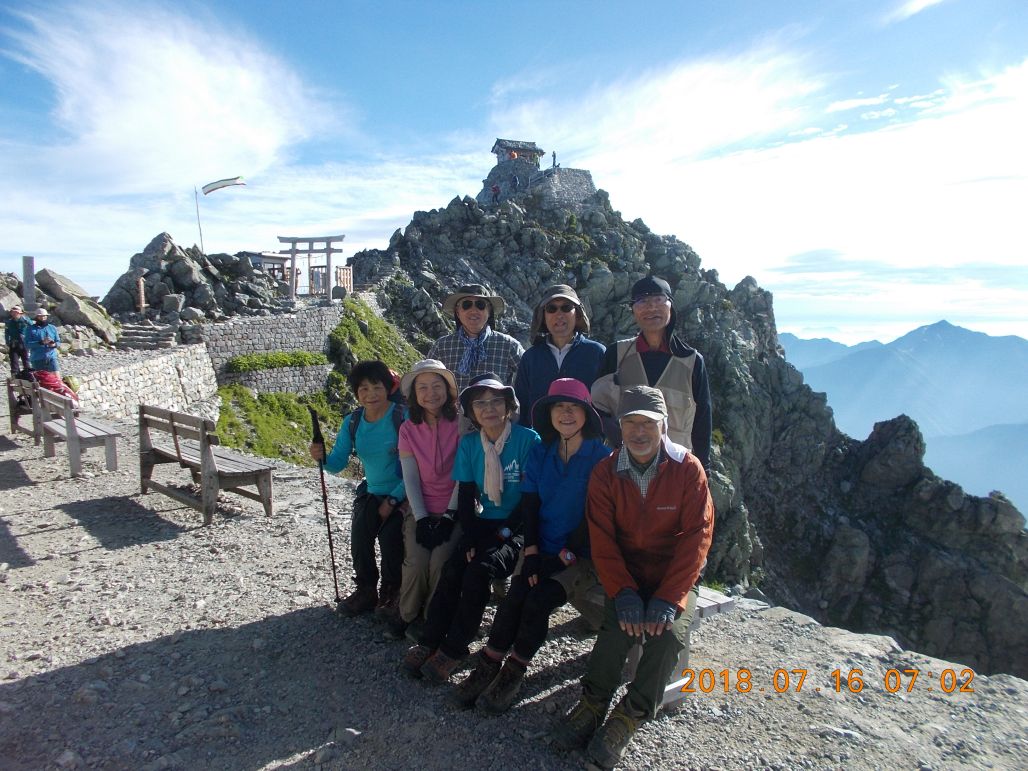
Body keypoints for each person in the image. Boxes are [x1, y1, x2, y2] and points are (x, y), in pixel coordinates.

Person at [549, 386, 714, 768]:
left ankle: (630, 715)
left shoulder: (688, 470)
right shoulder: (606, 472)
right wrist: (622, 591)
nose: (638, 432)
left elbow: (697, 538)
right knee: (615, 627)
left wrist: (669, 597)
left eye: (647, 423)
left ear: (664, 425)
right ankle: (592, 703)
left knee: (667, 634)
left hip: (674, 577)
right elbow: (602, 538)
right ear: (619, 427)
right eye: (630, 423)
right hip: (626, 573)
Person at [450, 378, 611, 714]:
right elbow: (531, 505)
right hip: (543, 545)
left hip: (581, 553)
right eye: (558, 407)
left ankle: (515, 670)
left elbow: (594, 517)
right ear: (549, 414)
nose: (566, 414)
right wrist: (534, 552)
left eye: (573, 407)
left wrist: (561, 557)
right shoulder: (542, 452)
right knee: (516, 596)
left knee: (538, 601)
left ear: (586, 414)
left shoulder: (601, 457)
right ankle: (490, 663)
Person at [401, 373, 540, 683]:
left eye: (496, 402)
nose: (488, 409)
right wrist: (472, 536)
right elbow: (466, 495)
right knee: (454, 567)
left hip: (518, 526)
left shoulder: (528, 441)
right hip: (484, 521)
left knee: (479, 570)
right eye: (480, 404)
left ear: (509, 407)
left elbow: (529, 500)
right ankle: (429, 639)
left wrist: (498, 536)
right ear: (472, 412)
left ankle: (455, 646)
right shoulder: (469, 445)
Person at [310, 360, 407, 617]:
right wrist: (321, 457)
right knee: (360, 537)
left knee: (391, 539)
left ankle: (391, 591)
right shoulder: (353, 422)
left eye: (376, 387)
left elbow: (417, 466)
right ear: (356, 393)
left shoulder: (402, 417)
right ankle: (366, 590)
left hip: (404, 491)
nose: (370, 394)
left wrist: (395, 499)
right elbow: (337, 463)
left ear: (388, 388)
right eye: (363, 389)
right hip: (372, 489)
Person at [591, 275, 712, 470]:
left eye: (658, 299)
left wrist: (704, 470)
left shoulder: (692, 361)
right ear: (633, 310)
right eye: (642, 301)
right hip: (625, 469)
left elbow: (703, 421)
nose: (651, 307)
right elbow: (596, 406)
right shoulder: (617, 355)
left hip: (677, 470)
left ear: (670, 305)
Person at [389, 359, 462, 640]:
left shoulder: (462, 424)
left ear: (447, 389)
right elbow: (410, 478)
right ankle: (407, 612)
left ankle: (432, 617)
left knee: (441, 561)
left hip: (453, 510)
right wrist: (420, 518)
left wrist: (448, 516)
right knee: (417, 562)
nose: (430, 393)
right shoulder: (407, 430)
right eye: (423, 387)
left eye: (436, 385)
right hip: (420, 509)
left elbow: (463, 477)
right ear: (414, 395)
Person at [513, 285, 605, 428]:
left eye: (566, 307)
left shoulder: (597, 353)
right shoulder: (531, 357)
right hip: (539, 444)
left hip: (586, 443)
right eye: (551, 309)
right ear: (543, 316)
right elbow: (521, 404)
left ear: (578, 313)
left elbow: (607, 404)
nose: (559, 314)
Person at [427, 284, 524, 393]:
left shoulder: (509, 345)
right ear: (458, 312)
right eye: (466, 305)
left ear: (489, 311)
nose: (473, 310)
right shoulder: (442, 346)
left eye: (480, 305)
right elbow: (427, 382)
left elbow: (531, 377)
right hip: (454, 410)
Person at [24, 308, 61, 375]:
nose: (43, 318)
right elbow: (27, 344)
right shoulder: (30, 329)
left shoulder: (52, 328)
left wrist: (54, 344)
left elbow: (58, 342)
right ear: (36, 317)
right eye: (40, 316)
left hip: (51, 357)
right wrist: (41, 342)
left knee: (56, 378)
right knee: (42, 380)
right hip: (37, 358)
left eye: (44, 316)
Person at [4, 304, 30, 376]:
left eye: (16, 312)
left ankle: (28, 375)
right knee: (14, 361)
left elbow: (32, 327)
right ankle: (15, 375)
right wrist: (7, 342)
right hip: (14, 343)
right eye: (13, 312)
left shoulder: (25, 320)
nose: (14, 314)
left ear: (20, 313)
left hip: (24, 343)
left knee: (26, 360)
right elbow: (6, 333)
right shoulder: (9, 322)